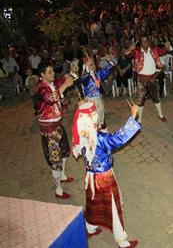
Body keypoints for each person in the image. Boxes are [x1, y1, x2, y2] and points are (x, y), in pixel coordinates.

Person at [71, 100, 140, 248]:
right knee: (113, 207)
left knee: (92, 202)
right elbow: (117, 138)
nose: (96, 115)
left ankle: (90, 227)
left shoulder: (80, 135)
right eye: (94, 113)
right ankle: (122, 241)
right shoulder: (99, 138)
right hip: (104, 178)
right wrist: (132, 117)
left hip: (90, 177)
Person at [34, 61, 74, 199]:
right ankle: (58, 191)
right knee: (55, 160)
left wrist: (71, 74)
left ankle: (62, 176)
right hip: (49, 130)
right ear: (42, 75)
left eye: (53, 71)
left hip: (57, 124)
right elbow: (50, 99)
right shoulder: (40, 87)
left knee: (65, 152)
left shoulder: (50, 83)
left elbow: (62, 80)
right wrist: (65, 85)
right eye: (49, 72)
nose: (53, 74)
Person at [127, 35, 169, 123]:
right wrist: (130, 49)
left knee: (156, 98)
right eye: (142, 41)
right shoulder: (137, 52)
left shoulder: (154, 50)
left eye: (146, 41)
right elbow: (127, 55)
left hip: (152, 79)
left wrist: (168, 46)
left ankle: (161, 115)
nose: (145, 43)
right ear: (140, 43)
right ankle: (140, 119)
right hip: (141, 80)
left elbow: (165, 51)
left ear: (149, 42)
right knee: (140, 101)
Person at [80, 55, 115, 129]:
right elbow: (83, 78)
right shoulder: (85, 77)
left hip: (98, 97)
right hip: (90, 99)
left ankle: (101, 126)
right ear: (86, 66)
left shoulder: (97, 74)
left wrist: (109, 61)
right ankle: (96, 128)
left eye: (93, 63)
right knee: (94, 115)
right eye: (91, 64)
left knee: (101, 111)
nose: (93, 65)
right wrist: (86, 68)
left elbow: (107, 69)